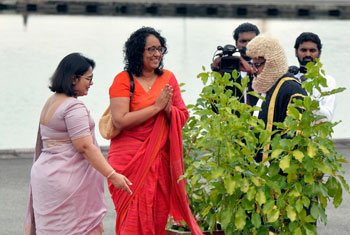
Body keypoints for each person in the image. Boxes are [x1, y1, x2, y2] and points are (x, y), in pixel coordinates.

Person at [107, 27, 203, 235]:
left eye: (160, 49)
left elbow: (182, 115)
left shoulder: (168, 78)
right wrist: (157, 107)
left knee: (157, 219)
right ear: (137, 51)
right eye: (151, 49)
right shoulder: (123, 80)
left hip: (159, 160)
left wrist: (169, 111)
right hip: (128, 161)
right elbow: (120, 120)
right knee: (130, 221)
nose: (157, 54)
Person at [24, 53, 132, 235]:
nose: (91, 83)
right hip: (66, 181)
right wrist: (112, 175)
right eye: (88, 78)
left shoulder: (51, 102)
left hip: (46, 176)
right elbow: (85, 147)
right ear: (74, 78)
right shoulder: (74, 107)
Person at [246, 35, 307, 162]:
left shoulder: (292, 89)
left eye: (257, 65)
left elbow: (294, 133)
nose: (254, 70)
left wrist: (274, 166)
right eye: (252, 64)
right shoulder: (267, 88)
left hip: (279, 174)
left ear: (271, 62)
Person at [212, 22, 260, 106]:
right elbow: (214, 104)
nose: (247, 45)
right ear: (236, 44)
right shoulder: (229, 66)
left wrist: (253, 72)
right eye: (243, 41)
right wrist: (217, 72)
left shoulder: (266, 66)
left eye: (251, 41)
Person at [291, 32, 336, 122]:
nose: (308, 54)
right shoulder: (289, 79)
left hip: (315, 135)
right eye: (303, 50)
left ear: (319, 53)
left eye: (312, 50)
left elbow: (327, 117)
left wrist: (304, 98)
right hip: (291, 135)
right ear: (296, 52)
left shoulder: (328, 82)